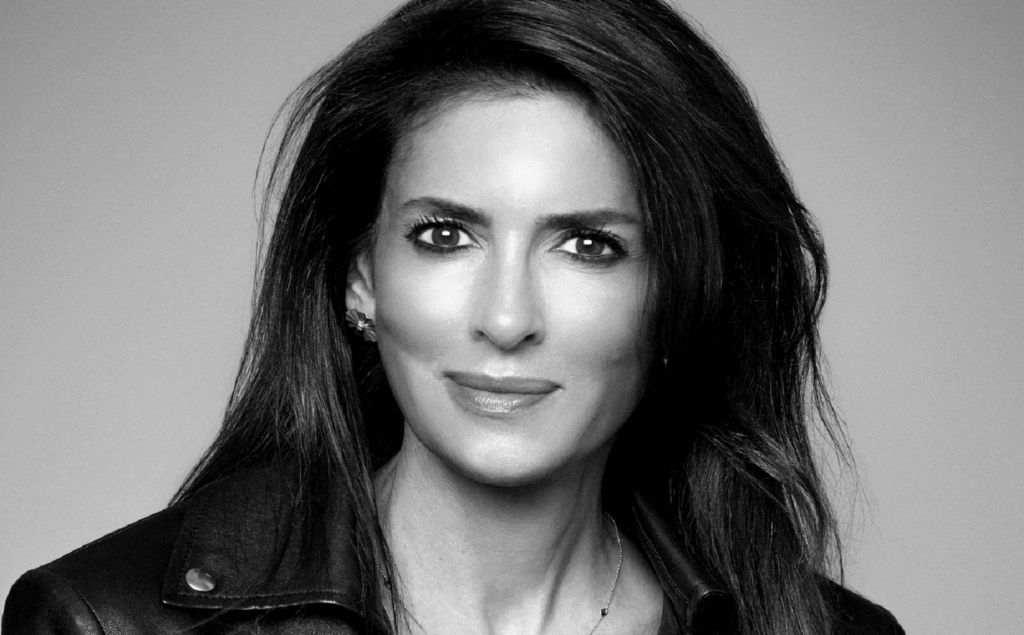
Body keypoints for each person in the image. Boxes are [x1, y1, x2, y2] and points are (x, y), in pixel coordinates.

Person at [3, 0, 905, 634]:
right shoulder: (103, 619)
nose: (507, 318)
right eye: (445, 235)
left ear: (676, 296)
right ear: (361, 277)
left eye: (588, 244)